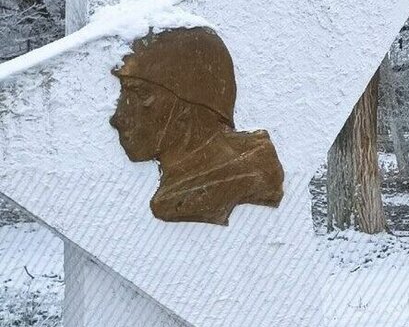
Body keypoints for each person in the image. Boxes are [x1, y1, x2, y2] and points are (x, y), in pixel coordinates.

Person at [110, 27, 284, 225]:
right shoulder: (177, 187)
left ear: (188, 107)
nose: (118, 118)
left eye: (140, 94)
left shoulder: (243, 176)